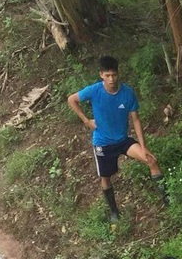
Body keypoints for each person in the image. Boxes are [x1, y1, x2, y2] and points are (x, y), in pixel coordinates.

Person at [67, 55, 167, 223]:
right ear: (101, 75)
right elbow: (72, 99)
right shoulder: (94, 91)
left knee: (151, 160)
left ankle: (168, 200)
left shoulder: (128, 93)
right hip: (103, 143)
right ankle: (114, 211)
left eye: (114, 75)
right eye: (107, 75)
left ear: (118, 74)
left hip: (123, 140)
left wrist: (143, 146)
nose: (111, 79)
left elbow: (136, 120)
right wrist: (86, 121)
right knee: (105, 178)